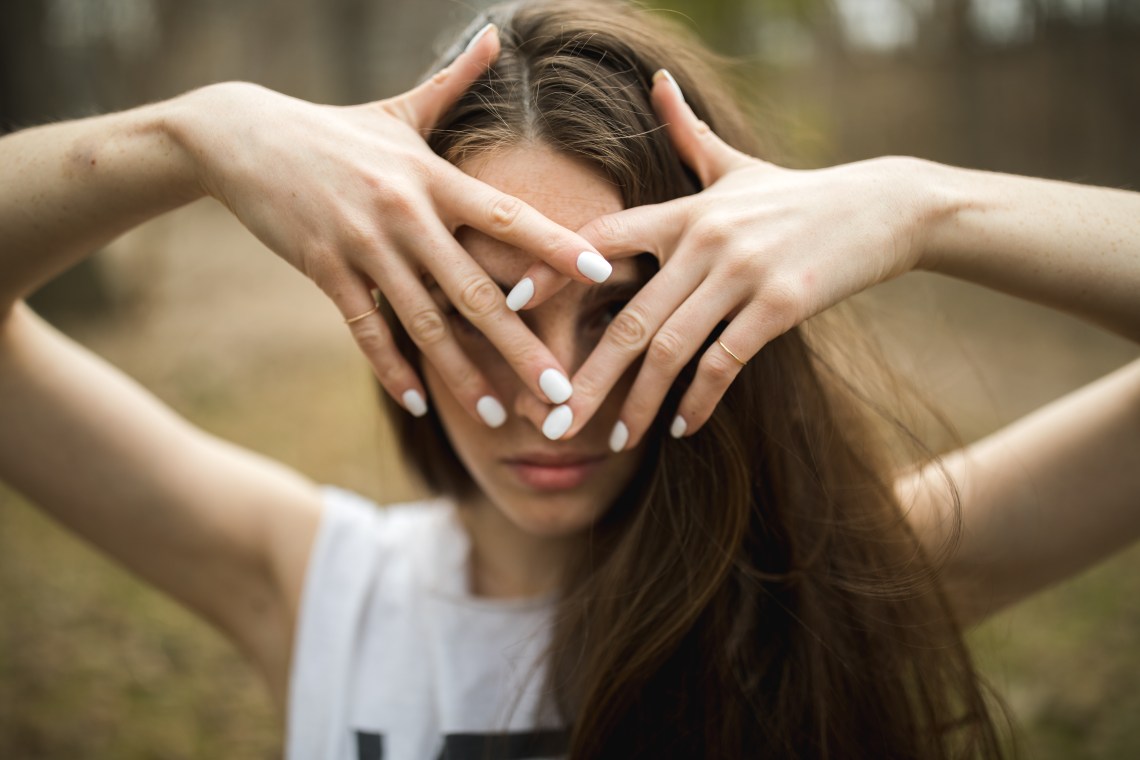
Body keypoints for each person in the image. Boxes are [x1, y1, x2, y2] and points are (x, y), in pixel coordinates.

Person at [1, 0, 1137, 757]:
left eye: (625, 309)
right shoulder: (319, 589)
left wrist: (920, 204)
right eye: (482, 304)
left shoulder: (841, 582)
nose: (556, 390)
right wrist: (194, 134)